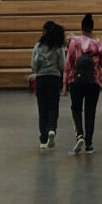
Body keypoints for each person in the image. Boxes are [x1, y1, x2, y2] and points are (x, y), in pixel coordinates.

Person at [62, 13, 102, 154]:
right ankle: (89, 143)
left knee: (76, 109)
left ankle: (79, 136)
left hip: (76, 80)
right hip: (93, 81)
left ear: (81, 28)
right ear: (92, 29)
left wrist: (65, 84)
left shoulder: (74, 43)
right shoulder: (98, 44)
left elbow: (69, 63)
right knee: (90, 111)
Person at [31, 21, 65, 150]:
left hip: (41, 80)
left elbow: (33, 66)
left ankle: (43, 140)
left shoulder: (38, 46)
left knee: (42, 109)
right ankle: (51, 129)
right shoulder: (58, 47)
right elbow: (62, 65)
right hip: (54, 79)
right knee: (53, 107)